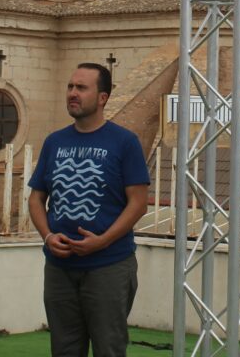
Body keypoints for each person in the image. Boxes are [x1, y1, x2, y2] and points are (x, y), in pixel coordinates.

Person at [29, 63, 150, 357]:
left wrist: (102, 241)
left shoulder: (125, 142)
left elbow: (138, 203)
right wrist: (47, 237)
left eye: (81, 88)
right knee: (64, 350)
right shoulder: (54, 142)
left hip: (108, 265)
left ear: (102, 97)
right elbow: (36, 199)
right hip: (59, 268)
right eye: (70, 87)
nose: (72, 93)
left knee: (109, 348)